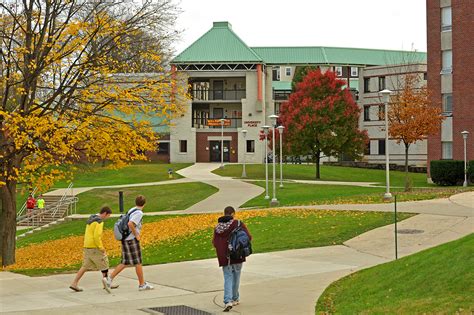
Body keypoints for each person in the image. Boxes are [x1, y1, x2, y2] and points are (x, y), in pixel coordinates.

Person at [104, 195, 154, 291]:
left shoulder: (132, 209)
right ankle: (142, 284)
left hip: (125, 239)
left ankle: (109, 280)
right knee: (138, 262)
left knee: (125, 262)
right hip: (131, 240)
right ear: (145, 204)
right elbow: (130, 224)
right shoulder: (139, 213)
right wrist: (136, 235)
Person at [213, 206, 252, 312]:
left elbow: (214, 243)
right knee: (236, 276)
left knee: (228, 277)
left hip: (224, 257)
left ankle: (227, 301)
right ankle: (235, 298)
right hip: (237, 255)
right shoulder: (238, 224)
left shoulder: (217, 228)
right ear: (233, 214)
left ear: (224, 213)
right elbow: (248, 237)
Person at [70, 206, 116, 293]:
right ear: (105, 213)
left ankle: (74, 283)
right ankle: (107, 283)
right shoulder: (99, 222)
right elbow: (96, 236)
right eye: (108, 216)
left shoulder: (91, 219)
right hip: (95, 247)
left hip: (87, 246)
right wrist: (101, 247)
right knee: (104, 264)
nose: (107, 218)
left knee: (85, 266)